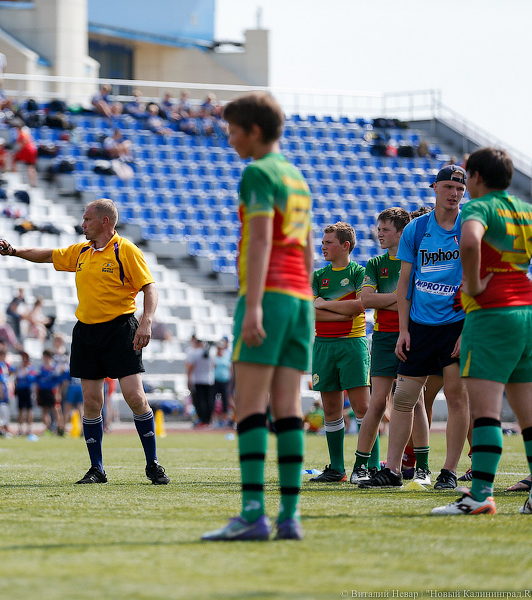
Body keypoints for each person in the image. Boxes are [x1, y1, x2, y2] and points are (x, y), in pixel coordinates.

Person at [0, 198, 169, 485]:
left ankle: (153, 463)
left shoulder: (126, 251)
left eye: (87, 219)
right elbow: (49, 254)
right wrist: (14, 251)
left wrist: (146, 321)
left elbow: (150, 287)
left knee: (136, 398)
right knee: (91, 402)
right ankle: (97, 469)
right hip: (87, 332)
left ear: (105, 222)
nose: (82, 223)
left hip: (120, 329)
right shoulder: (82, 251)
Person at [201, 92, 312, 542]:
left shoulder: (258, 173)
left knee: (249, 408)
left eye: (233, 131)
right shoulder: (297, 177)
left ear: (255, 132)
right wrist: (305, 297)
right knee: (287, 409)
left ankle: (251, 515)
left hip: (268, 294)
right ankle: (289, 517)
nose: (230, 140)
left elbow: (262, 240)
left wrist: (259, 304)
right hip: (301, 298)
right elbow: (304, 247)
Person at [432, 148, 532, 516]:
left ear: (476, 176)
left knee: (486, 412)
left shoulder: (479, 209)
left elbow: (468, 241)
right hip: (528, 313)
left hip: (491, 314)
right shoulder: (529, 210)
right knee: (531, 413)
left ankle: (479, 496)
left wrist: (475, 284)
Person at [360, 165, 469, 490]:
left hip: (457, 324)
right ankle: (392, 470)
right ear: (435, 187)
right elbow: (405, 282)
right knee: (405, 397)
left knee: (457, 398)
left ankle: (448, 472)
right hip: (419, 327)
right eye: (448, 186)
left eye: (459, 188)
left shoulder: (470, 226)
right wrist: (404, 330)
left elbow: (478, 281)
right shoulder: (417, 229)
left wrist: (468, 331)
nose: (454, 193)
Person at [348, 208, 428, 484]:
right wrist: (401, 296)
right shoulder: (374, 263)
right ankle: (360, 465)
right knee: (377, 403)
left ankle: (423, 468)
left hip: (414, 334)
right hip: (383, 337)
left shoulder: (417, 260)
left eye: (384, 229)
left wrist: (391, 298)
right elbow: (367, 301)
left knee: (414, 401)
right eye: (378, 229)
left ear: (401, 232)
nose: (379, 234)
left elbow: (420, 300)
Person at [306, 223, 370, 483]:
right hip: (323, 345)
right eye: (322, 242)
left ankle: (369, 466)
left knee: (363, 408)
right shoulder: (318, 276)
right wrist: (338, 309)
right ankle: (337, 468)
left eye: (328, 242)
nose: (323, 246)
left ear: (345, 245)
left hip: (352, 343)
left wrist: (324, 304)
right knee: (331, 409)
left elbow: (358, 307)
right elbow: (310, 311)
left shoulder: (359, 273)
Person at [186, 337, 216, 427]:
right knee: (209, 401)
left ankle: (202, 420)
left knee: (199, 401)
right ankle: (208, 420)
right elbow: (215, 365)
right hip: (209, 379)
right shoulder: (211, 353)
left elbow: (190, 368)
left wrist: (188, 380)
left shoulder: (194, 353)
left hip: (197, 380)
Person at [36, 350, 64, 435]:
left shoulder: (55, 368)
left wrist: (58, 393)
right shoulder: (41, 368)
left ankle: (60, 428)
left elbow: (59, 382)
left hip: (52, 391)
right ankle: (47, 428)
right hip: (43, 390)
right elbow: (37, 381)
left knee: (56, 409)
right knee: (45, 410)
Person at [15, 352, 37, 436]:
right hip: (21, 390)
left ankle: (29, 429)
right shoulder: (19, 368)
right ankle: (20, 429)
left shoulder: (30, 368)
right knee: (20, 410)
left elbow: (31, 379)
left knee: (29, 410)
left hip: (28, 390)